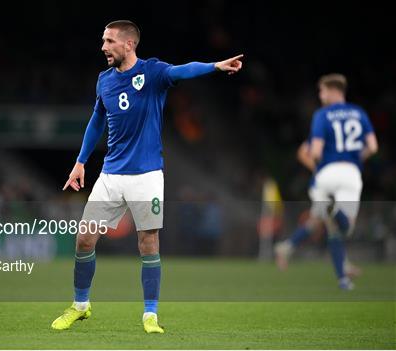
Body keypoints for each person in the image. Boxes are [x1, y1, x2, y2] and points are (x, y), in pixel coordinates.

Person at [51, 20, 243, 333]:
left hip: (147, 176)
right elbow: (97, 119)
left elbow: (182, 70)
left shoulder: (152, 73)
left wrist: (215, 67)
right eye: (103, 40)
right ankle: (80, 305)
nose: (103, 47)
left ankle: (150, 315)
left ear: (129, 44)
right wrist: (81, 161)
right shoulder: (104, 81)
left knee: (148, 243)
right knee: (84, 238)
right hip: (111, 174)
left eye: (110, 41)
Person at [275, 74, 377, 290]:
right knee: (342, 227)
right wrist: (354, 159)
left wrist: (318, 168)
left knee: (320, 223)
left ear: (331, 90)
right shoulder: (358, 113)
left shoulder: (322, 116)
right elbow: (373, 147)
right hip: (349, 174)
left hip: (325, 177)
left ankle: (287, 248)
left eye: (321, 91)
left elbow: (309, 152)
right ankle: (342, 275)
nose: (320, 95)